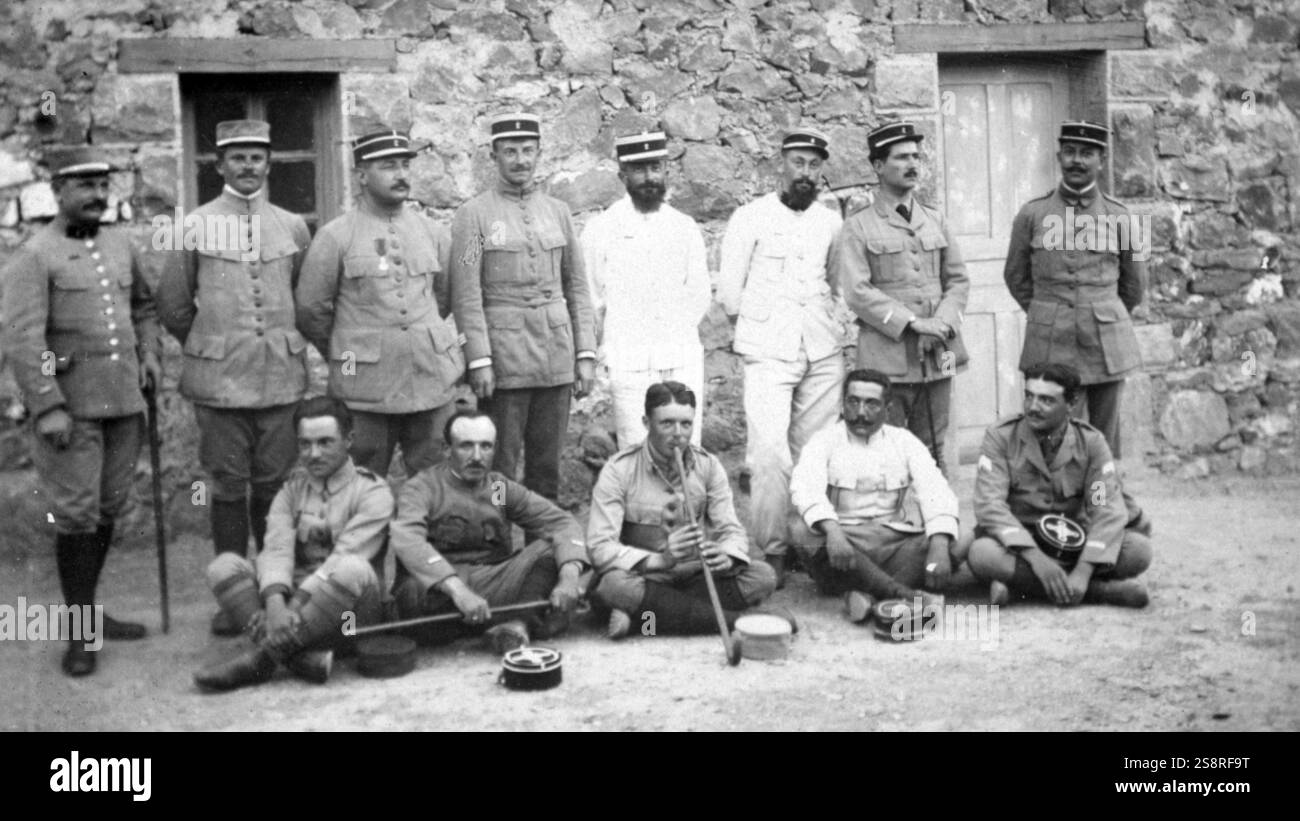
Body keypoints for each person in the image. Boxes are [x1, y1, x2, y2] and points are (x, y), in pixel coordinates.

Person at [2, 147, 163, 676]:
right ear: (58, 192)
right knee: (75, 515)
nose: (97, 195)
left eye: (102, 185)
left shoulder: (120, 244)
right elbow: (25, 340)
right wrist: (47, 404)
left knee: (110, 507)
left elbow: (142, 305)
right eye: (84, 186)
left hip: (122, 402)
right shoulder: (35, 255)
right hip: (70, 411)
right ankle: (78, 632)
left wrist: (150, 354)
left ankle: (89, 613)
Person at [157, 119, 312, 636]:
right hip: (220, 383)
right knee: (227, 487)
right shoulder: (194, 225)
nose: (249, 166)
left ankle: (275, 588)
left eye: (257, 157)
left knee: (274, 487)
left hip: (280, 379)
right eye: (238, 157)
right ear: (218, 164)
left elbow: (303, 296)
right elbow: (175, 306)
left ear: (269, 164)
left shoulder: (292, 225)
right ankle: (233, 595)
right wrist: (212, 346)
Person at [194, 397, 394, 691]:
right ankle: (299, 657)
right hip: (291, 611)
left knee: (351, 567)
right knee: (223, 566)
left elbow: (343, 556)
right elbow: (275, 547)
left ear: (348, 440)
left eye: (326, 442)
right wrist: (275, 602)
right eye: (305, 444)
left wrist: (290, 607)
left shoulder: (373, 491)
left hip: (350, 614)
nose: (313, 454)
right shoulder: (291, 490)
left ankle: (262, 658)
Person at [717, 127, 845, 586]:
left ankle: (804, 544)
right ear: (781, 164)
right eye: (798, 163)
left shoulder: (831, 222)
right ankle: (771, 548)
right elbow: (730, 293)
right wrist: (762, 323)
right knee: (769, 454)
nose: (805, 173)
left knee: (814, 452)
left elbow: (834, 281)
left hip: (821, 348)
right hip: (768, 348)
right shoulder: (750, 217)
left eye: (814, 165)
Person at [296, 129, 464, 477]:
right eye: (389, 166)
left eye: (405, 165)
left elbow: (444, 297)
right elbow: (311, 309)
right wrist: (348, 349)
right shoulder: (336, 235)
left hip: (430, 382)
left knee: (436, 481)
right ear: (361, 176)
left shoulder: (432, 232)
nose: (401, 174)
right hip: (364, 389)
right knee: (361, 482)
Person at [449, 112, 597, 502]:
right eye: (510, 151)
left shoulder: (559, 212)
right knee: (500, 466)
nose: (520, 160)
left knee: (547, 468)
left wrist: (585, 353)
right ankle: (497, 550)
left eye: (528, 150)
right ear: (493, 156)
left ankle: (543, 552)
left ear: (539, 153)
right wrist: (478, 358)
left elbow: (578, 287)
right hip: (504, 360)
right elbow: (465, 294)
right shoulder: (473, 215)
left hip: (555, 357)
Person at [588, 382, 780, 640]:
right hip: (645, 576)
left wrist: (728, 554)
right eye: (666, 424)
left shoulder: (708, 466)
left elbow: (732, 530)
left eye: (686, 424)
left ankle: (645, 620)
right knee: (612, 586)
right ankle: (735, 621)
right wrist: (660, 560)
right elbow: (600, 547)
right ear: (646, 422)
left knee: (763, 576)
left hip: (694, 575)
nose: (678, 434)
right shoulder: (618, 470)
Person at [1002, 121, 1147, 462]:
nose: (1076, 161)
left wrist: (1102, 310)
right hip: (1051, 342)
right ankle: (1053, 508)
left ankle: (1101, 504)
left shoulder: (1121, 217)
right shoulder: (1032, 214)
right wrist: (1048, 312)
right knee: (1051, 432)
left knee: (1104, 437)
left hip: (1106, 343)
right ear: (1058, 157)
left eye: (1086, 153)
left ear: (1102, 159)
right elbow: (1015, 276)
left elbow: (1135, 285)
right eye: (1069, 152)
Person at [831, 121, 970, 477]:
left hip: (941, 353)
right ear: (878, 166)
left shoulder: (935, 219)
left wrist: (938, 325)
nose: (912, 165)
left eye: (916, 157)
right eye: (901, 157)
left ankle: (937, 522)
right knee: (884, 446)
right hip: (886, 357)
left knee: (936, 444)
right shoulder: (858, 226)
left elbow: (957, 281)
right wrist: (914, 323)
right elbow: (857, 292)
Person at [388, 409, 588, 651]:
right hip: (441, 589)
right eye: (465, 446)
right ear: (447, 449)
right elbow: (409, 542)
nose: (476, 456)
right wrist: (458, 591)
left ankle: (515, 624)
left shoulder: (497, 490)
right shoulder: (423, 488)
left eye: (485, 447)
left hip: (493, 582)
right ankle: (522, 618)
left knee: (550, 552)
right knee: (411, 592)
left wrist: (569, 577)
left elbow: (561, 523)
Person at [965, 362, 1152, 608]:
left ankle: (1024, 586)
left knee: (1138, 550)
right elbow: (990, 505)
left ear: (1071, 405)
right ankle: (1100, 592)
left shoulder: (1091, 445)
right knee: (982, 554)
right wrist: (1037, 559)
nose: (1033, 407)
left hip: (1076, 542)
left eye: (1046, 400)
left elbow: (1104, 507)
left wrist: (1084, 569)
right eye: (1029, 396)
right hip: (1021, 545)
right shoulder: (1001, 438)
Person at [789, 369, 959, 620]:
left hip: (893, 543)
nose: (860, 413)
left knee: (956, 538)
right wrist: (833, 532)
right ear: (842, 404)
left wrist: (939, 543)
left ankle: (866, 594)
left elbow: (935, 489)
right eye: (853, 402)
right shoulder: (823, 440)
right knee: (801, 531)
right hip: (845, 545)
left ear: (888, 409)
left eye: (871, 404)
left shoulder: (904, 441)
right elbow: (805, 488)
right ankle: (904, 594)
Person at [580, 129, 711, 448]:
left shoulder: (683, 227)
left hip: (679, 357)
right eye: (639, 170)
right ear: (622, 175)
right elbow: (590, 298)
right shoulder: (601, 230)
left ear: (666, 170)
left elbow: (699, 295)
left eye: (655, 168)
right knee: (637, 452)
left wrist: (669, 332)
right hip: (630, 362)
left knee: (685, 448)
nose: (649, 177)